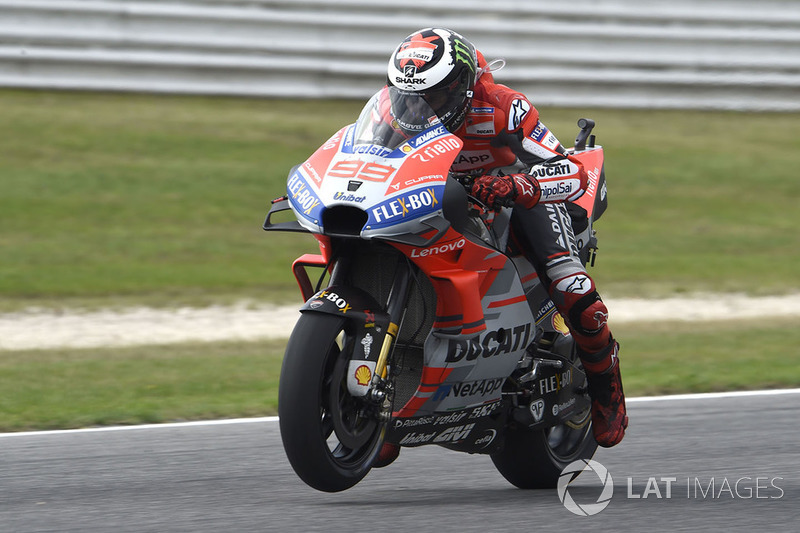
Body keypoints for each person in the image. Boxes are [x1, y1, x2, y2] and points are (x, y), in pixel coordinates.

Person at [376, 28, 628, 467]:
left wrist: (519, 184)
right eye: (412, 94)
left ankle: (606, 391)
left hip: (518, 200)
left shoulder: (503, 108)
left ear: (462, 84)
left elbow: (572, 176)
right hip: (439, 200)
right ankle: (380, 407)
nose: (424, 105)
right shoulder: (393, 107)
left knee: (571, 289)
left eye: (436, 94)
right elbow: (367, 155)